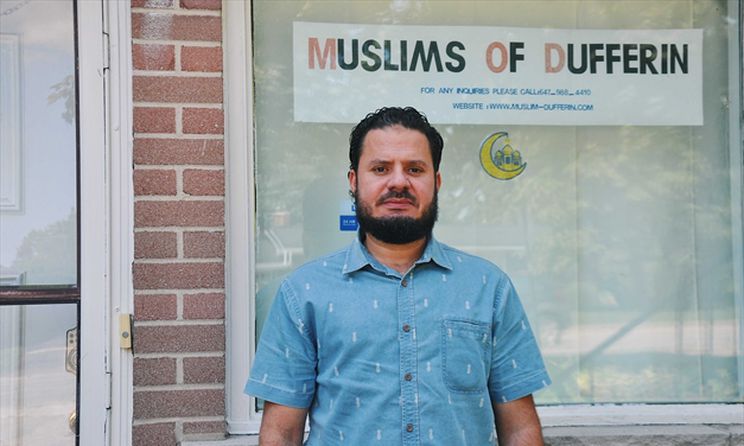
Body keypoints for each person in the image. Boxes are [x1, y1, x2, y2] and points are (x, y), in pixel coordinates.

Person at [245, 106, 551, 445]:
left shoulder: (488, 287)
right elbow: (282, 433)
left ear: (436, 182)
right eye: (380, 168)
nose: (398, 182)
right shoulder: (303, 292)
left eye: (415, 169)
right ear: (354, 182)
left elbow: (520, 429)